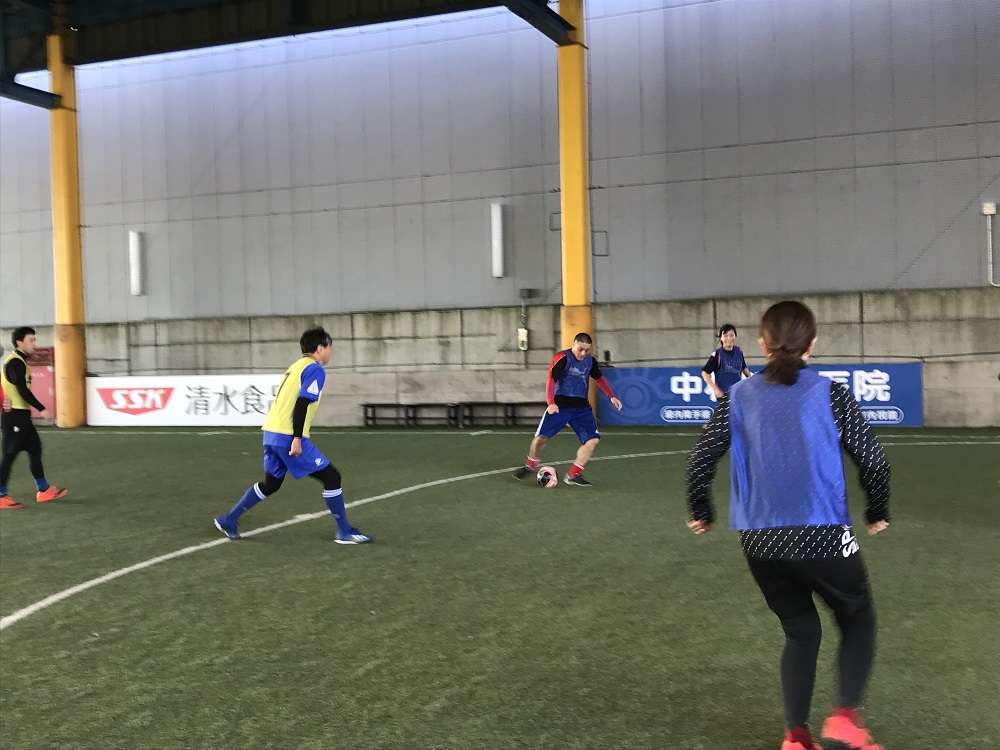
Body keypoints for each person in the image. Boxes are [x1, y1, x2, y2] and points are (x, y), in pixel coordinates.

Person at [685, 301, 890, 750]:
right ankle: (845, 718)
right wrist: (877, 510)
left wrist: (702, 510)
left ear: (762, 343)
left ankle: (797, 736)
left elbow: (699, 460)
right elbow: (874, 460)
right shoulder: (831, 393)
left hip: (760, 540)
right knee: (858, 618)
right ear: (812, 344)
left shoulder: (737, 397)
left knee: (800, 630)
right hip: (822, 533)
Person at [214, 327, 372, 544]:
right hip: (288, 436)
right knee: (332, 477)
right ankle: (344, 531)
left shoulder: (295, 367)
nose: (330, 352)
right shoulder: (315, 370)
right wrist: (297, 438)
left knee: (271, 483)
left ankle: (229, 519)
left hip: (271, 434)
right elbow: (302, 403)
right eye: (329, 347)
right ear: (320, 348)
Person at [512, 332, 622, 486]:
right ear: (573, 344)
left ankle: (573, 475)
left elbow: (599, 378)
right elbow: (551, 379)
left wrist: (612, 396)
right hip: (560, 405)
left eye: (587, 350)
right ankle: (530, 465)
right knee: (540, 439)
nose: (583, 353)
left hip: (581, 407)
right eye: (580, 349)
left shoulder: (590, 361)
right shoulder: (562, 358)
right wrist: (551, 402)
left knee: (592, 440)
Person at [0, 327, 69, 509]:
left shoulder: (21, 362)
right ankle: (1, 495)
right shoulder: (15, 362)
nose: (35, 344)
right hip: (14, 416)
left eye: (34, 340)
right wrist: (42, 408)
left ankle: (43, 490)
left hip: (22, 416)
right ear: (19, 342)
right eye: (31, 340)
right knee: (9, 455)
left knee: (35, 448)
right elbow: (22, 390)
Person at [701, 323, 751, 399]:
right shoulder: (717, 355)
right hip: (724, 396)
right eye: (725, 336)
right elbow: (705, 373)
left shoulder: (739, 352)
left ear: (735, 336)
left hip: (738, 395)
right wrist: (715, 389)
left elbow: (744, 367)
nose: (729, 338)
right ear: (721, 338)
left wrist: (750, 379)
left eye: (731, 335)